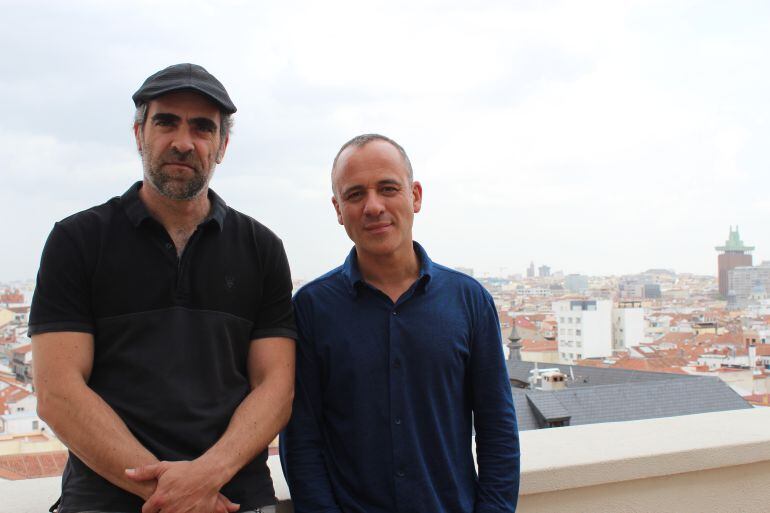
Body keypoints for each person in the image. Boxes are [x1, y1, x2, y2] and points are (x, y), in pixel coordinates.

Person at [30, 63, 296, 513]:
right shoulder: (77, 241)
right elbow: (57, 392)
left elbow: (276, 388)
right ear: (139, 134)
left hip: (233, 499)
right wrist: (173, 495)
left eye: (202, 128)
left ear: (222, 146)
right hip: (108, 502)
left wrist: (206, 477)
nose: (182, 142)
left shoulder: (261, 248)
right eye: (166, 122)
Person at [281, 134, 519, 513]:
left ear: (416, 196)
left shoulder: (469, 301)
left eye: (388, 188)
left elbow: (498, 432)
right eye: (355, 194)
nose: (373, 206)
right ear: (338, 209)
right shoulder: (311, 309)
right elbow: (301, 442)